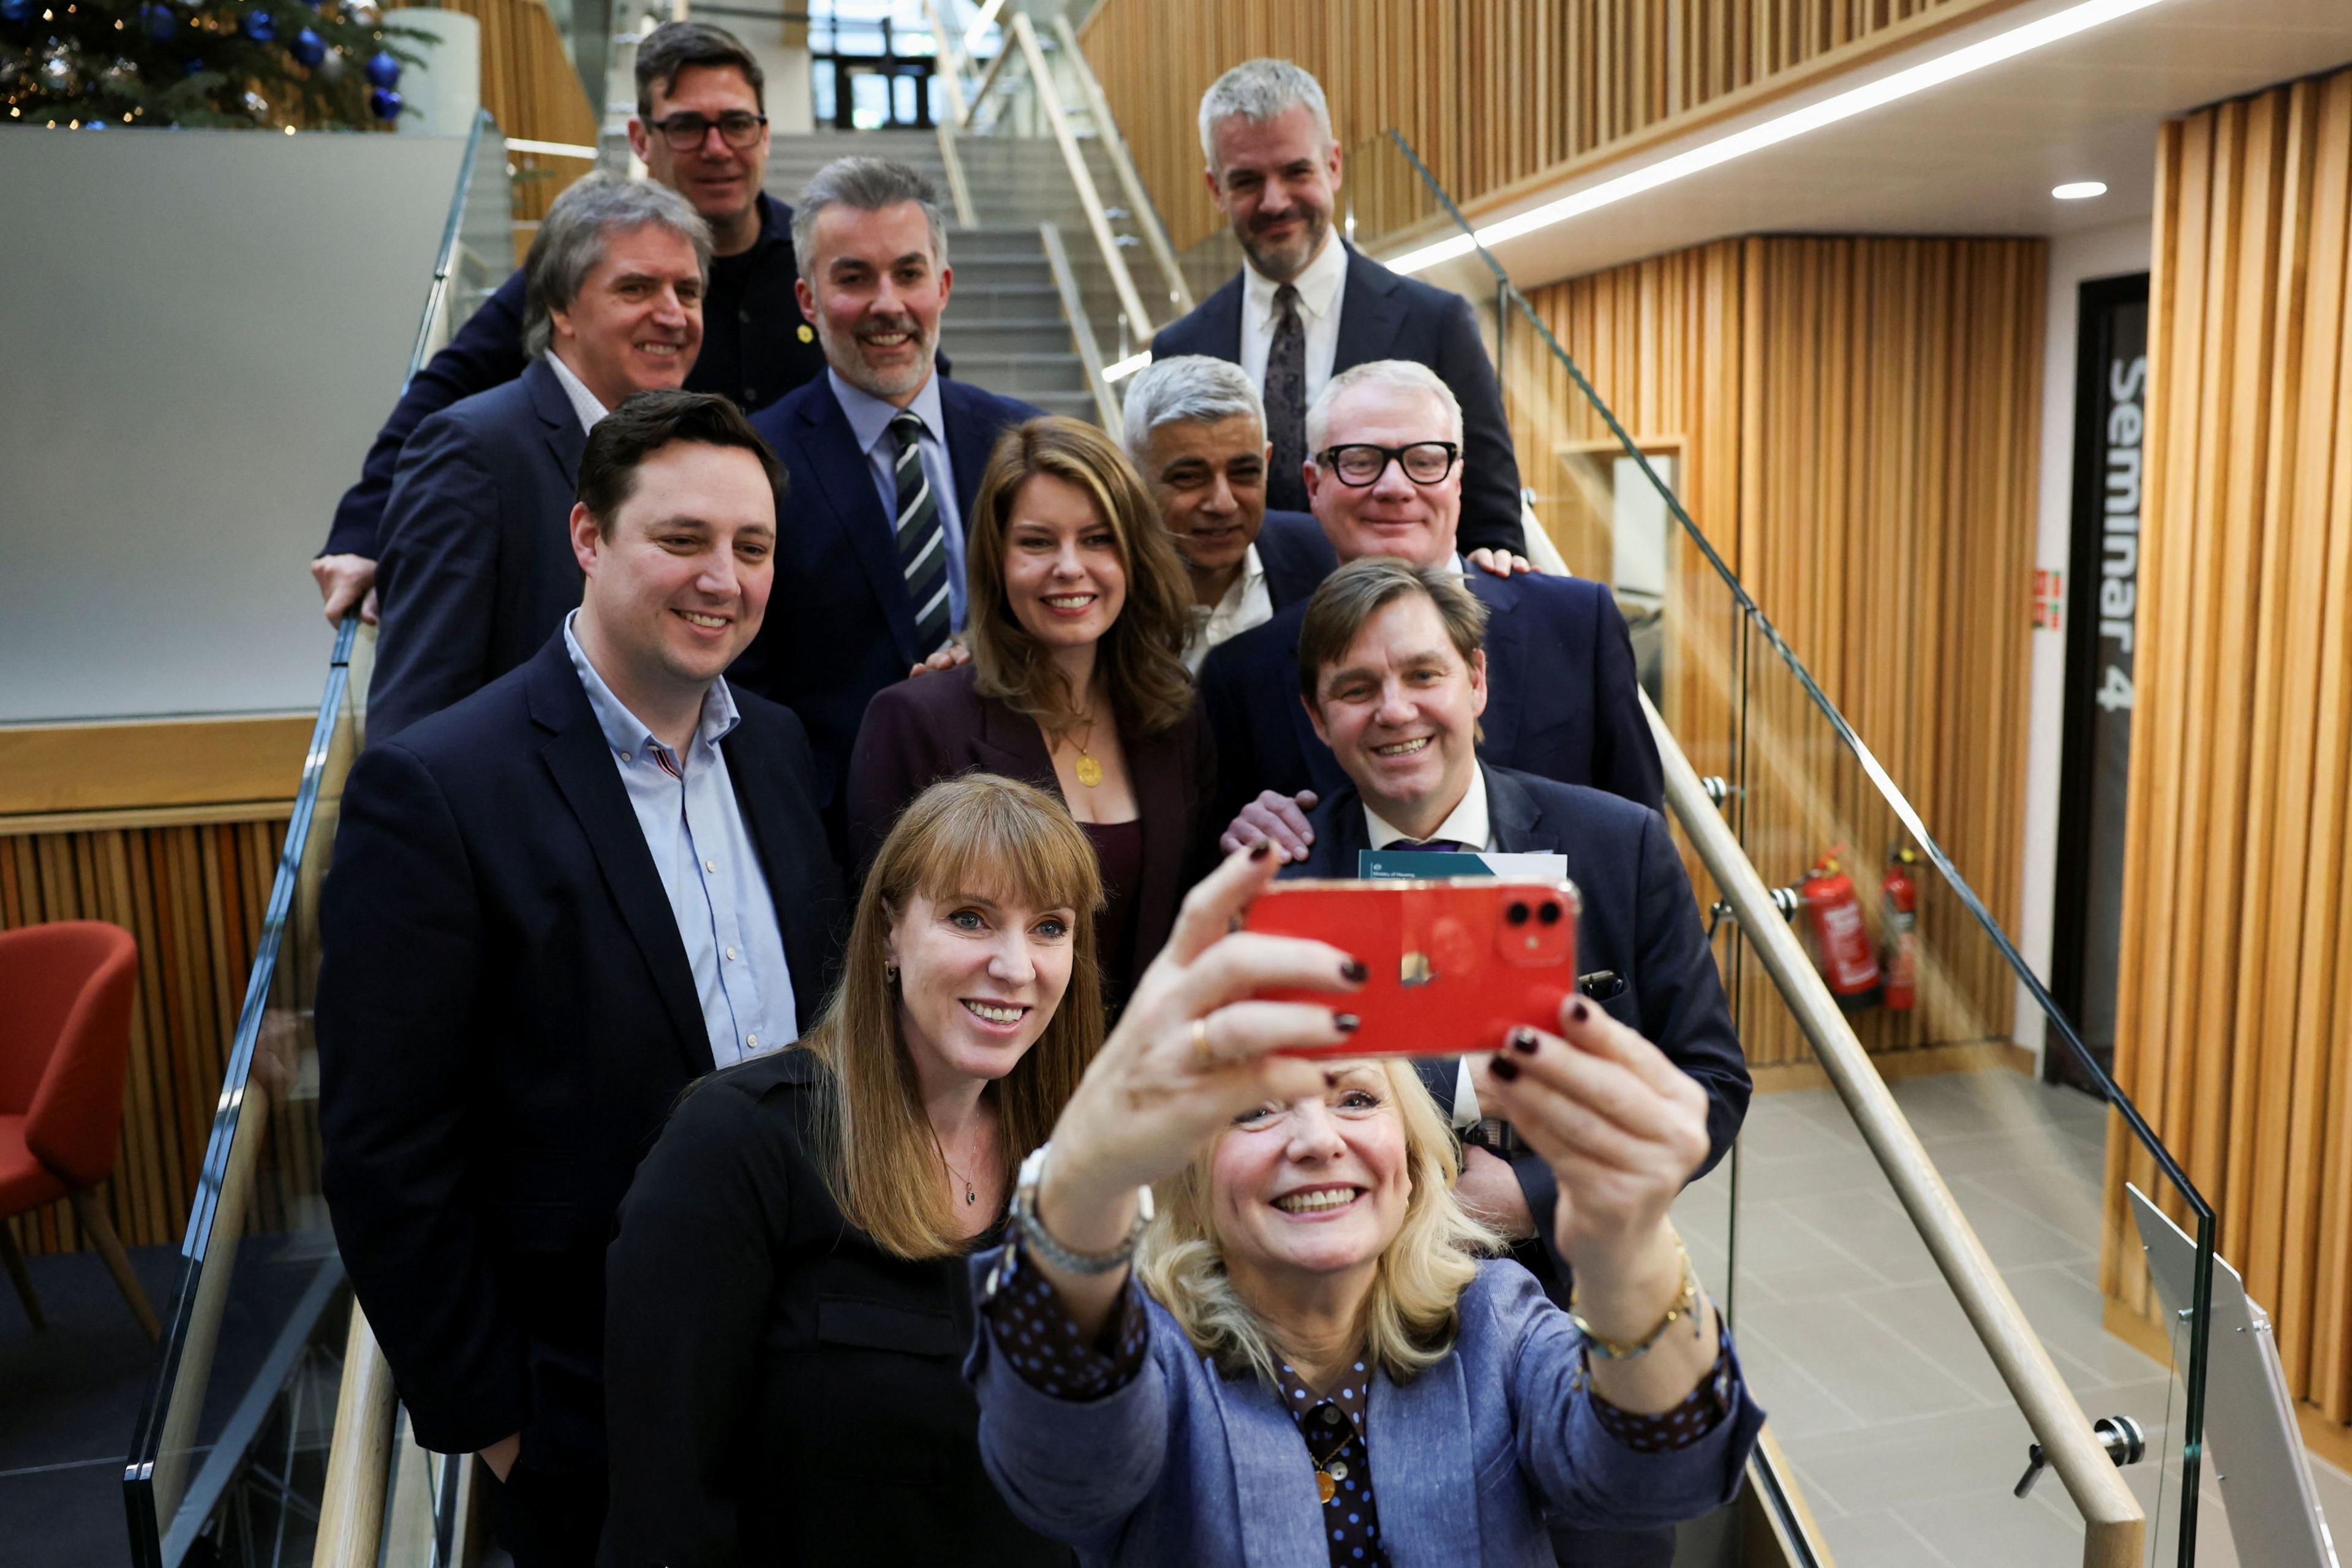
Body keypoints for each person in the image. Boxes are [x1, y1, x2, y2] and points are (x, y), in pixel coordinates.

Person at [317, 391, 842, 1568]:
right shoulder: (439, 789)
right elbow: (384, 1152)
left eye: (751, 548)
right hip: (591, 1406)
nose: (724, 578)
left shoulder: (780, 746)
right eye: (683, 539)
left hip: (805, 1365)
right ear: (589, 538)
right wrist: (504, 1428)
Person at [965, 844, 1763, 1566]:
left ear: (1413, 1163)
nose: (1317, 1139)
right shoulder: (1147, 1353)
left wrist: (1627, 1247)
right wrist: (1083, 1189)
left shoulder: (1496, 1322)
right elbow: (1061, 1478)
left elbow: (1660, 1480)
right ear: (1191, 1179)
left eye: (1354, 1099)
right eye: (1255, 1109)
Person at [601, 775, 1093, 1567]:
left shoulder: (1078, 1163)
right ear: (891, 933)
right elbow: (666, 1512)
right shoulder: (737, 1147)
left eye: (1049, 928)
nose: (1015, 966)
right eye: (971, 918)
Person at [312, 20, 827, 627]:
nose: (717, 148)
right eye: (687, 126)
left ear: (765, 136)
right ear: (640, 138)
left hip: (797, 590)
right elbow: (445, 392)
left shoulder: (819, 260)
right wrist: (364, 531)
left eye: (737, 123)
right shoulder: (582, 266)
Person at [1203, 360, 1663, 859]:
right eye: (1360, 460)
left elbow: (1640, 844)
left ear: (1459, 479)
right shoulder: (1243, 674)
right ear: (1314, 485)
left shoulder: (1576, 624)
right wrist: (1241, 832)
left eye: (1425, 461)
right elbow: (1211, 868)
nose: (1395, 487)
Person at [848, 418, 1208, 1008]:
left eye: (1097, 540)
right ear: (996, 561)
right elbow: (876, 957)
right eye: (1037, 542)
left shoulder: (1173, 721)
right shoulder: (916, 722)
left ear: (1134, 555)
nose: (1069, 567)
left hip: (1135, 1087)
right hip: (979, 1088)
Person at [737, 157, 1041, 815]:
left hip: (1029, 825)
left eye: (909, 274)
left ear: (944, 285)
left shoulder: (1025, 440)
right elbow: (743, 689)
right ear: (808, 299)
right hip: (841, 844)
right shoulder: (752, 461)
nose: (887, 304)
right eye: (853, 278)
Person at [366, 174, 707, 741]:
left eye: (687, 292)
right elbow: (416, 719)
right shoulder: (470, 451)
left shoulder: (696, 453)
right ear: (561, 308)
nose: (673, 315)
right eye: (637, 289)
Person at [1152, 58, 1528, 564]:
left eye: (1295, 171)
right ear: (1216, 189)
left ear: (1333, 165)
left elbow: (1492, 528)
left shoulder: (1436, 324)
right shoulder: (1181, 349)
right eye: (1246, 182)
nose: (1274, 201)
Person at [1120, 354, 1336, 671]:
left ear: (1267, 461)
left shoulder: (1323, 561)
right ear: (1131, 474)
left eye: (1244, 472)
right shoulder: (1096, 585)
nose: (1223, 504)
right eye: (1189, 477)